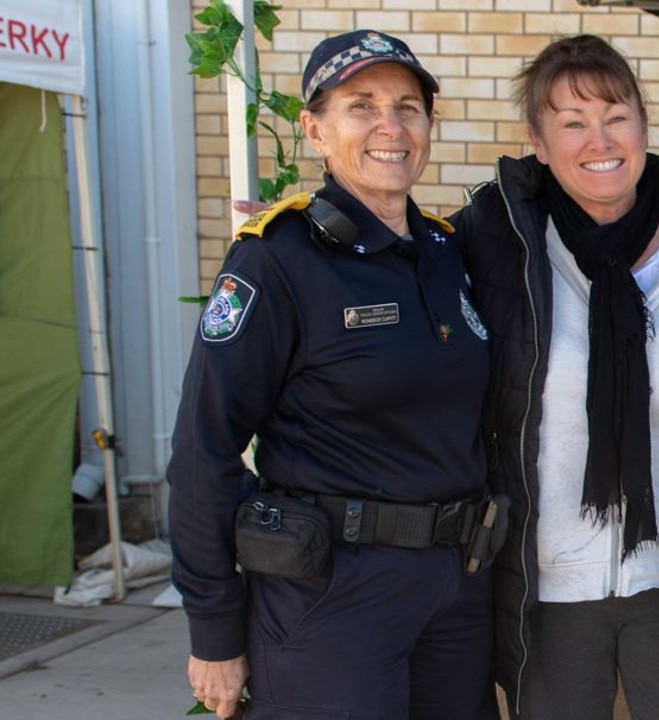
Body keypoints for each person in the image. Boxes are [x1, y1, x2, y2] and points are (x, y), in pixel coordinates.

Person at [451, 34, 659, 720]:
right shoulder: (495, 241)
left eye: (615, 116)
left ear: (643, 126)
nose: (598, 139)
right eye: (571, 123)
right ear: (539, 144)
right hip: (547, 583)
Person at [167, 30, 497, 720]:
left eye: (409, 107)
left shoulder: (448, 252)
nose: (390, 126)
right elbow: (204, 448)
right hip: (332, 592)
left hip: (453, 587)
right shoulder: (276, 261)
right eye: (361, 105)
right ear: (314, 129)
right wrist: (215, 628)